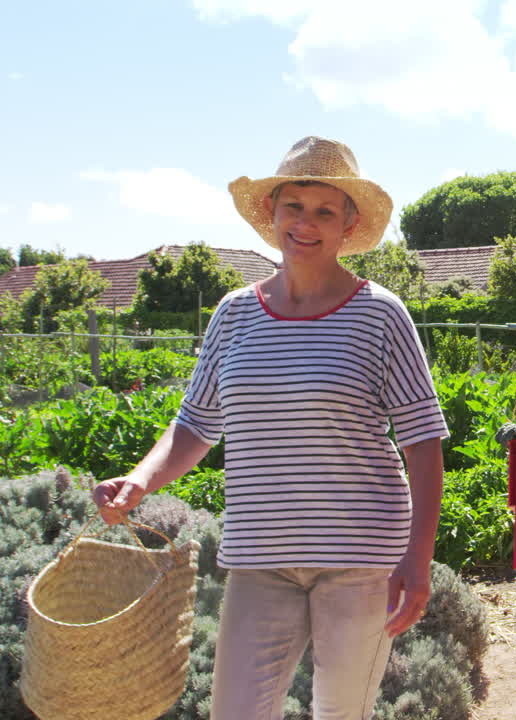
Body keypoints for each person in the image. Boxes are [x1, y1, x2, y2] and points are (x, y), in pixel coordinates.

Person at [92, 136, 449, 719]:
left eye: (324, 211)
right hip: (261, 556)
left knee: (340, 712)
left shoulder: (380, 314)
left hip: (361, 556)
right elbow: (194, 425)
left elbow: (422, 442)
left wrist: (418, 557)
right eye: (294, 207)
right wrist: (139, 481)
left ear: (347, 223)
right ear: (274, 214)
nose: (305, 223)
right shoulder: (234, 314)